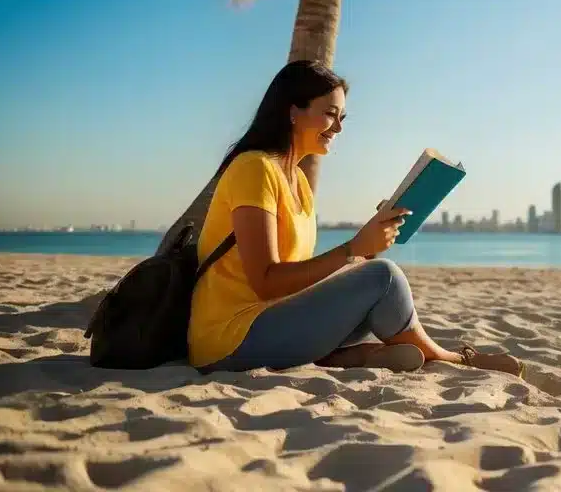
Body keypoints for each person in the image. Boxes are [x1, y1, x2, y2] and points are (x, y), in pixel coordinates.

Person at [187, 60, 521, 376]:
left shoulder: (299, 182)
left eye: (343, 116)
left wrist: (367, 245)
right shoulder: (254, 168)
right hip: (229, 338)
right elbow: (266, 282)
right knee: (384, 278)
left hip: (270, 322)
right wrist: (351, 248)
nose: (340, 127)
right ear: (293, 112)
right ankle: (451, 359)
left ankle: (353, 357)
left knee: (375, 290)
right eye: (330, 114)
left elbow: (295, 279)